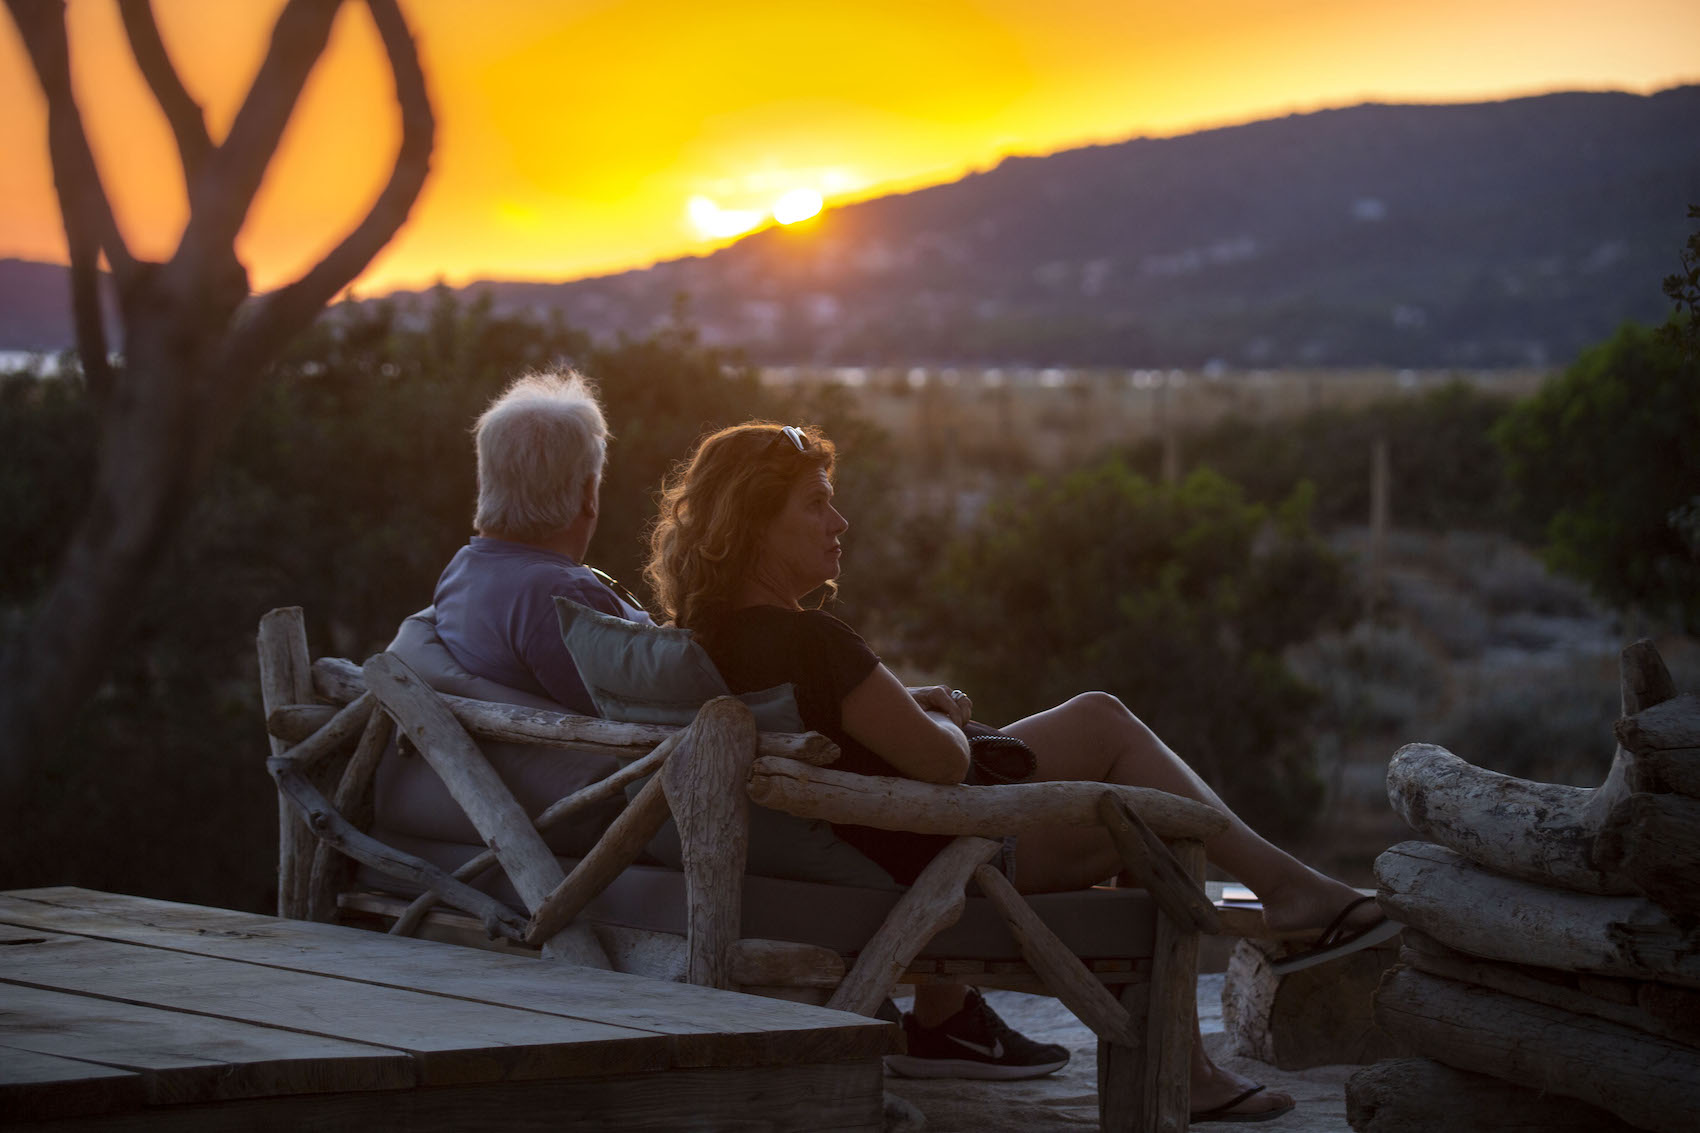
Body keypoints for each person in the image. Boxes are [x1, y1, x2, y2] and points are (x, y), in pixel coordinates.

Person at [643, 421, 1396, 1121]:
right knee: (1141, 800)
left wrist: (904, 703)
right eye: (816, 507)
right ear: (753, 525)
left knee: (1100, 723)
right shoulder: (814, 641)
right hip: (951, 855)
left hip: (873, 837)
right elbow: (945, 761)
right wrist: (940, 716)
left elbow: (843, 727)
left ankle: (954, 1019)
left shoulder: (706, 640)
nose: (839, 525)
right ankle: (1207, 1037)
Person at [374, 369, 652, 855]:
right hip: (588, 824)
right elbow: (654, 721)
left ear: (488, 482)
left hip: (497, 810)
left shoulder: (464, 572)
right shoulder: (560, 598)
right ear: (589, 493)